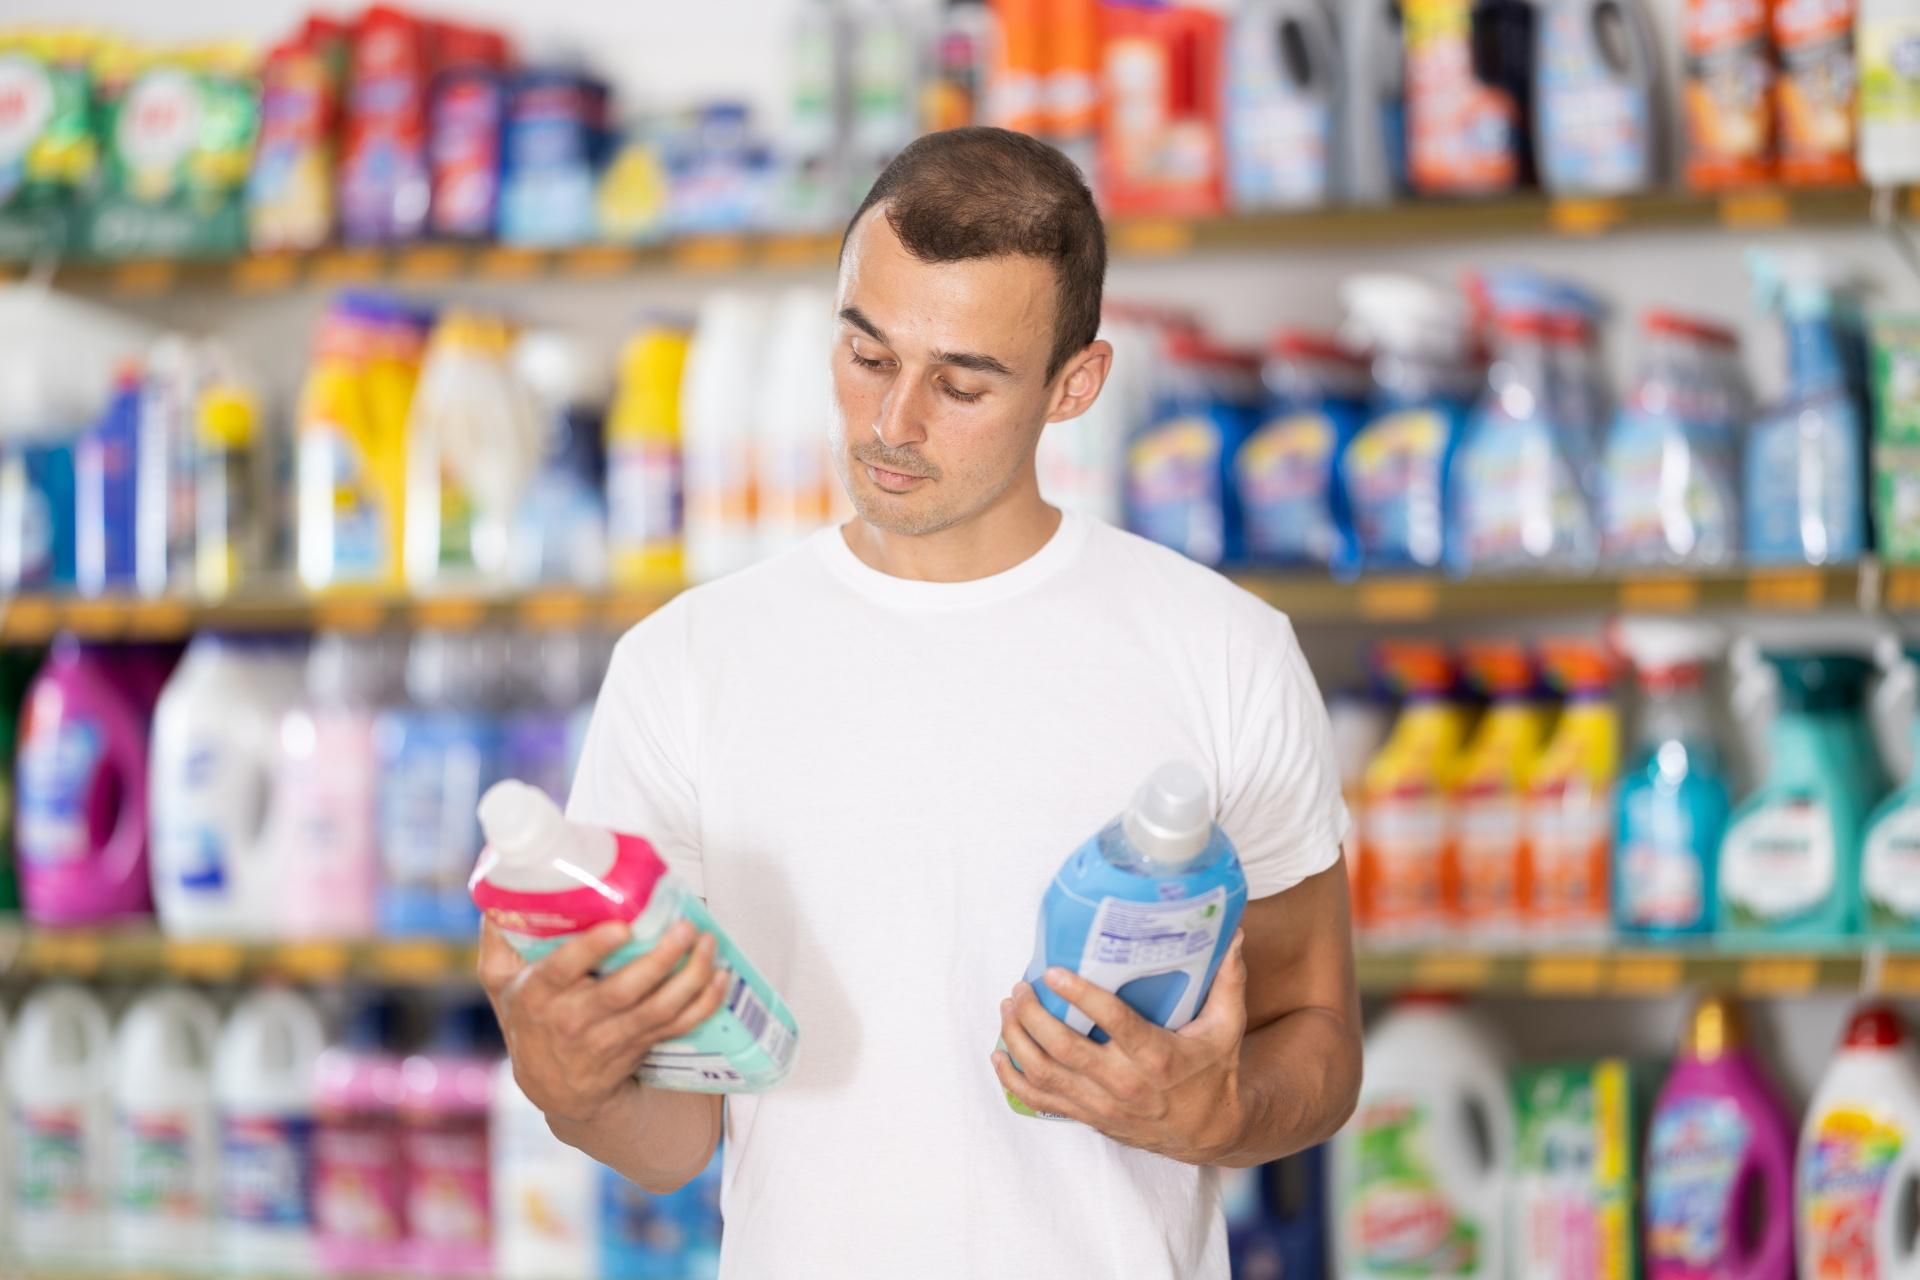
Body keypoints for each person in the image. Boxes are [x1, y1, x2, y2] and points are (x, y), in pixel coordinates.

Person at [479, 127, 1360, 1279]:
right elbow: (672, 1138)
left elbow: (1320, 1037)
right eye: (866, 353)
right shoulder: (686, 664)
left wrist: (1218, 1111)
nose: (893, 424)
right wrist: (567, 1076)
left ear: (1073, 384)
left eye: (961, 381)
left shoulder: (1221, 650)